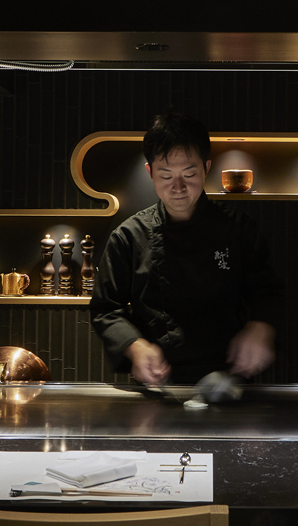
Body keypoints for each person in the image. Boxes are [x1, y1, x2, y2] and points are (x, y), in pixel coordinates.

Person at [90, 111, 284, 386]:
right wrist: (136, 347)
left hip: (229, 380)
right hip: (157, 383)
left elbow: (268, 293)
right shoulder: (128, 236)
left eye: (189, 174)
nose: (178, 187)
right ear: (150, 172)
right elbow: (106, 308)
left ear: (206, 168)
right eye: (166, 175)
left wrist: (260, 328)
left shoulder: (238, 229)